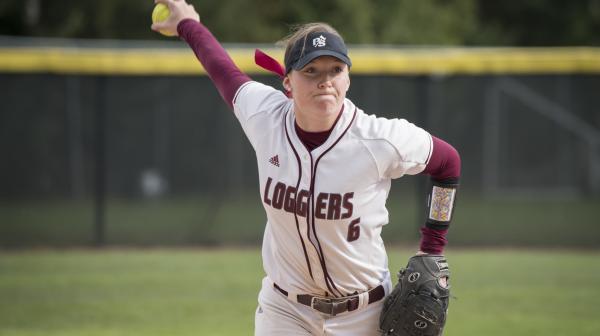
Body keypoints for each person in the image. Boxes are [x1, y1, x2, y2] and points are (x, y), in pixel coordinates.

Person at [151, 1, 461, 335]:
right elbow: (221, 68)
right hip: (285, 310)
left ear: (347, 79)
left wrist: (432, 248)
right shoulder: (264, 117)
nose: (324, 80)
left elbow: (448, 162)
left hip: (363, 313)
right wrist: (187, 23)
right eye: (311, 70)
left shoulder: (379, 140)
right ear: (288, 83)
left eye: (335, 70)